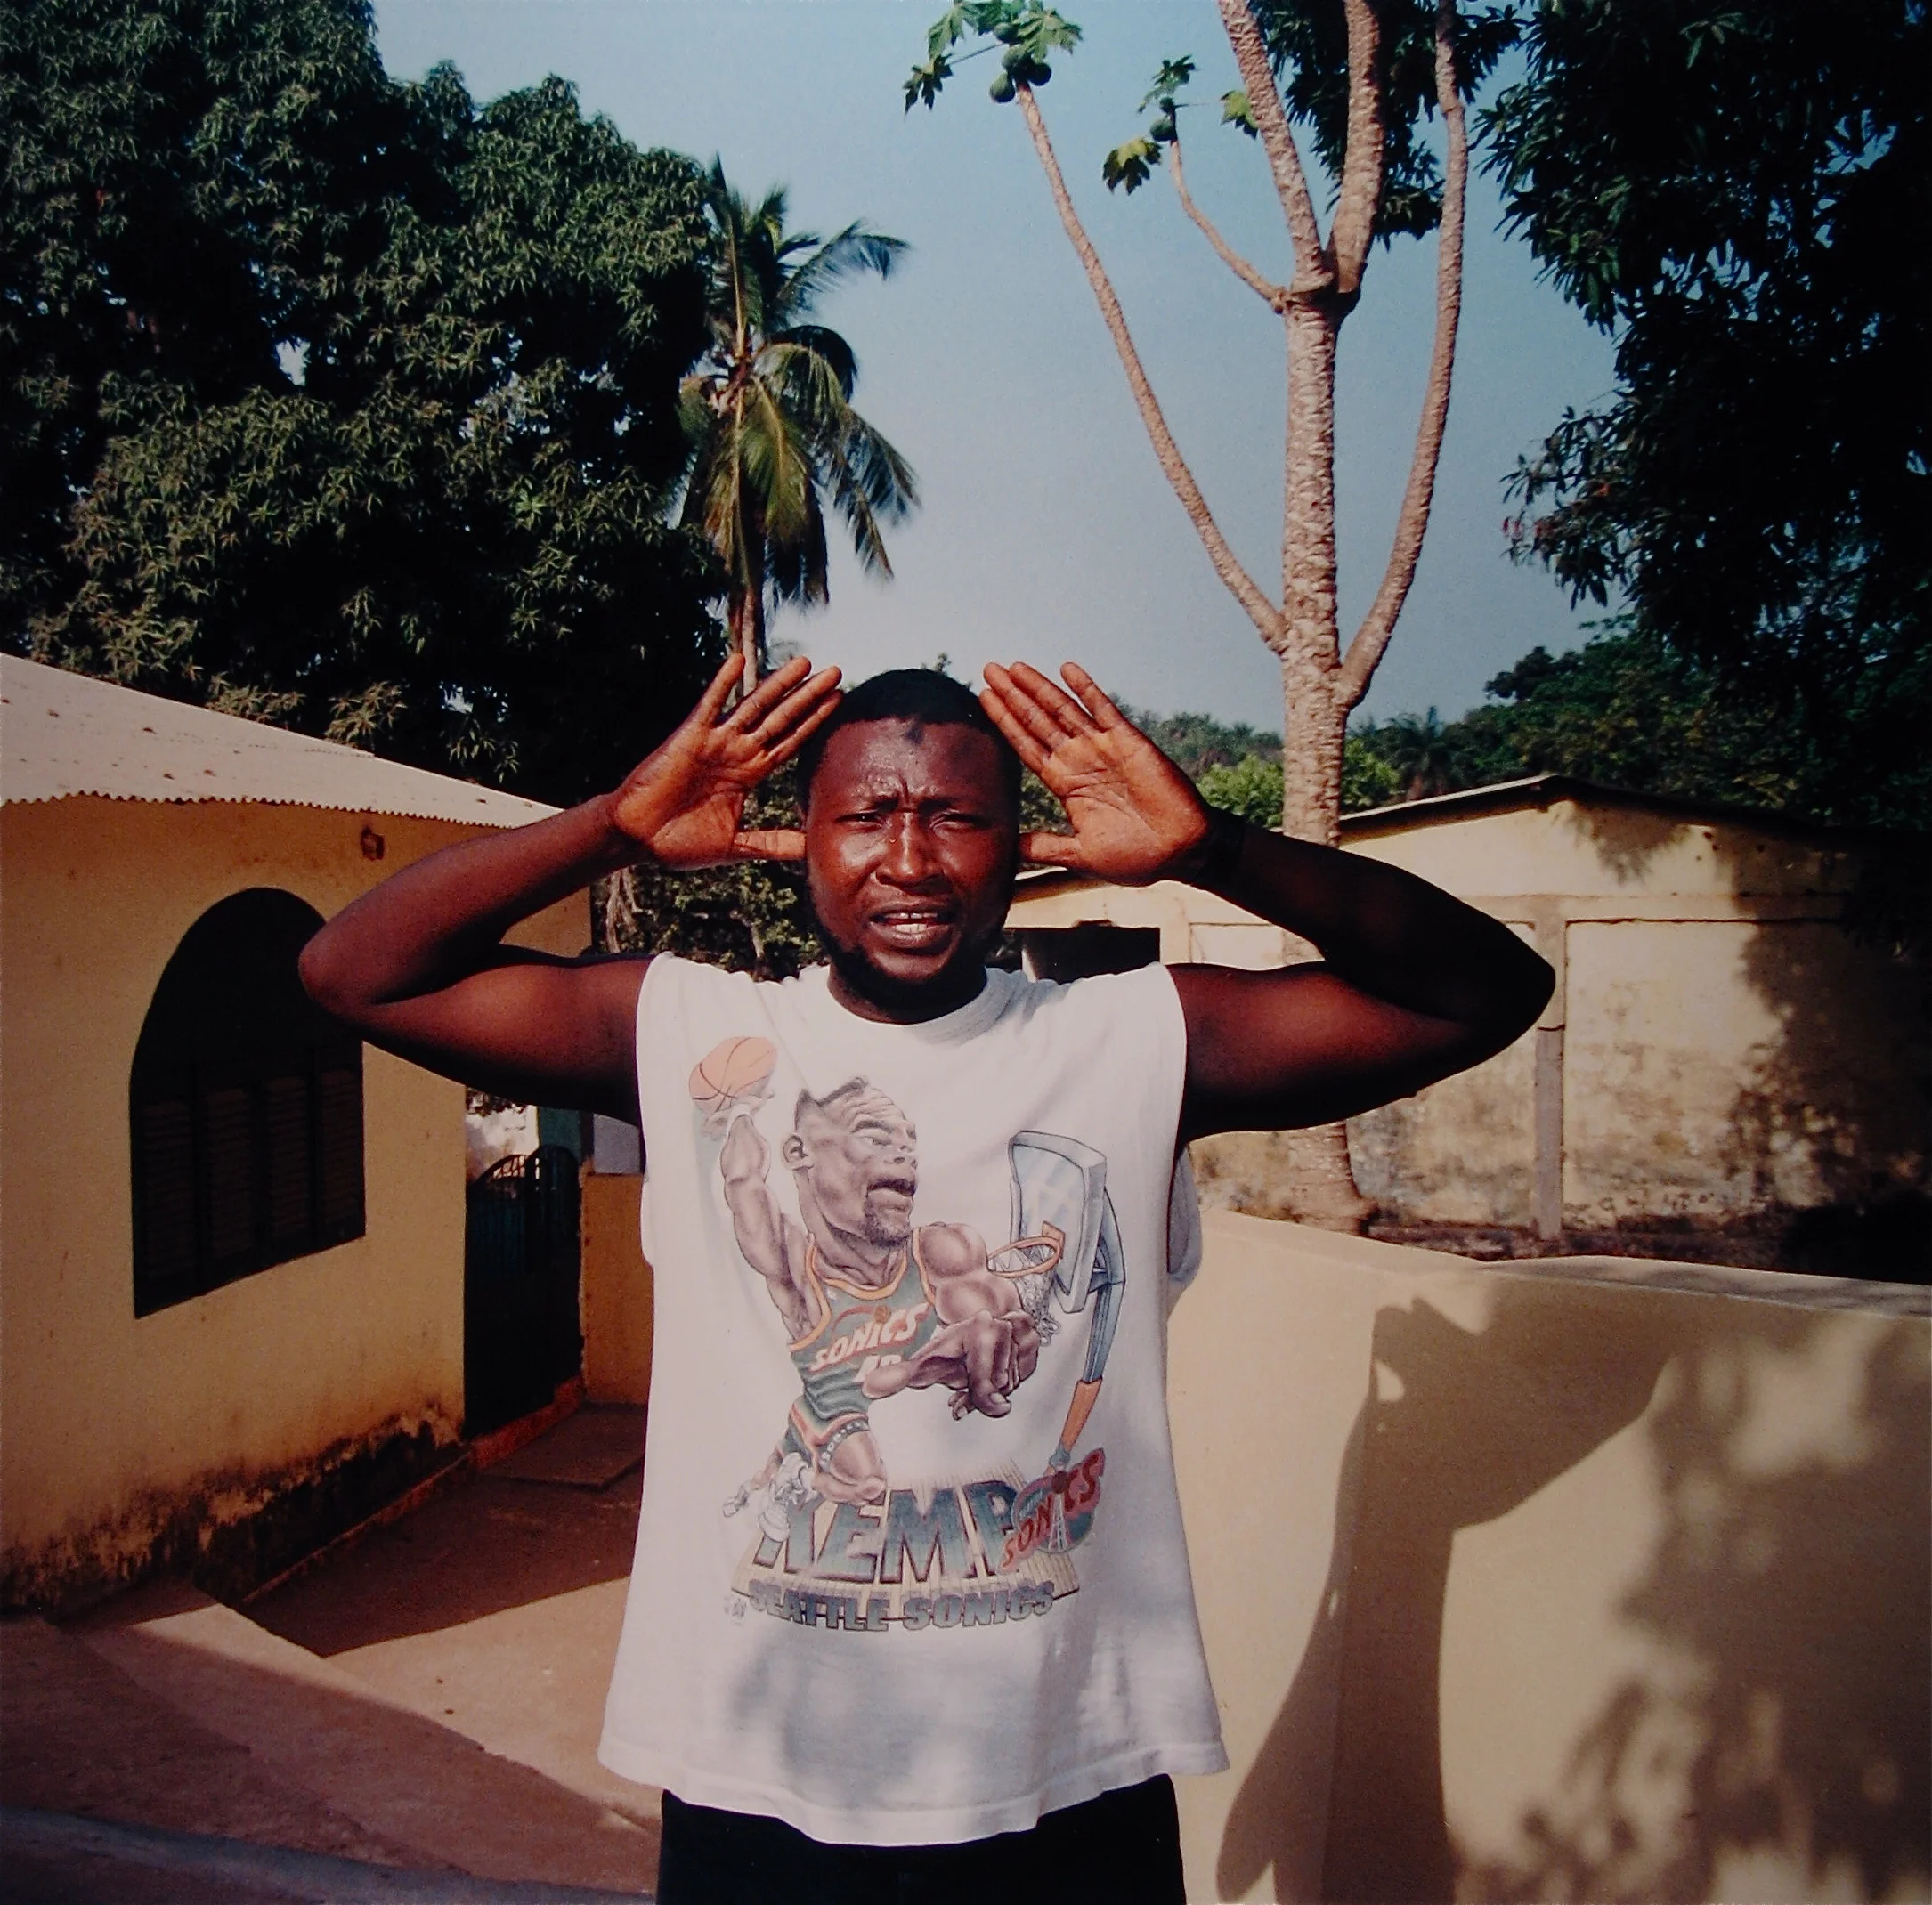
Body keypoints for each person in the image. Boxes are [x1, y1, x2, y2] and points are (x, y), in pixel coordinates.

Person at [299, 652, 1552, 1903]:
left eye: (957, 817)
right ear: (800, 842)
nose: (910, 860)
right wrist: (612, 830)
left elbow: (1484, 993)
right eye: (866, 816)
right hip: (758, 1783)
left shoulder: (1127, 1043)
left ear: (1022, 846)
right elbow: (352, 971)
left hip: (1067, 1775)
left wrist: (1211, 848)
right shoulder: (698, 1038)